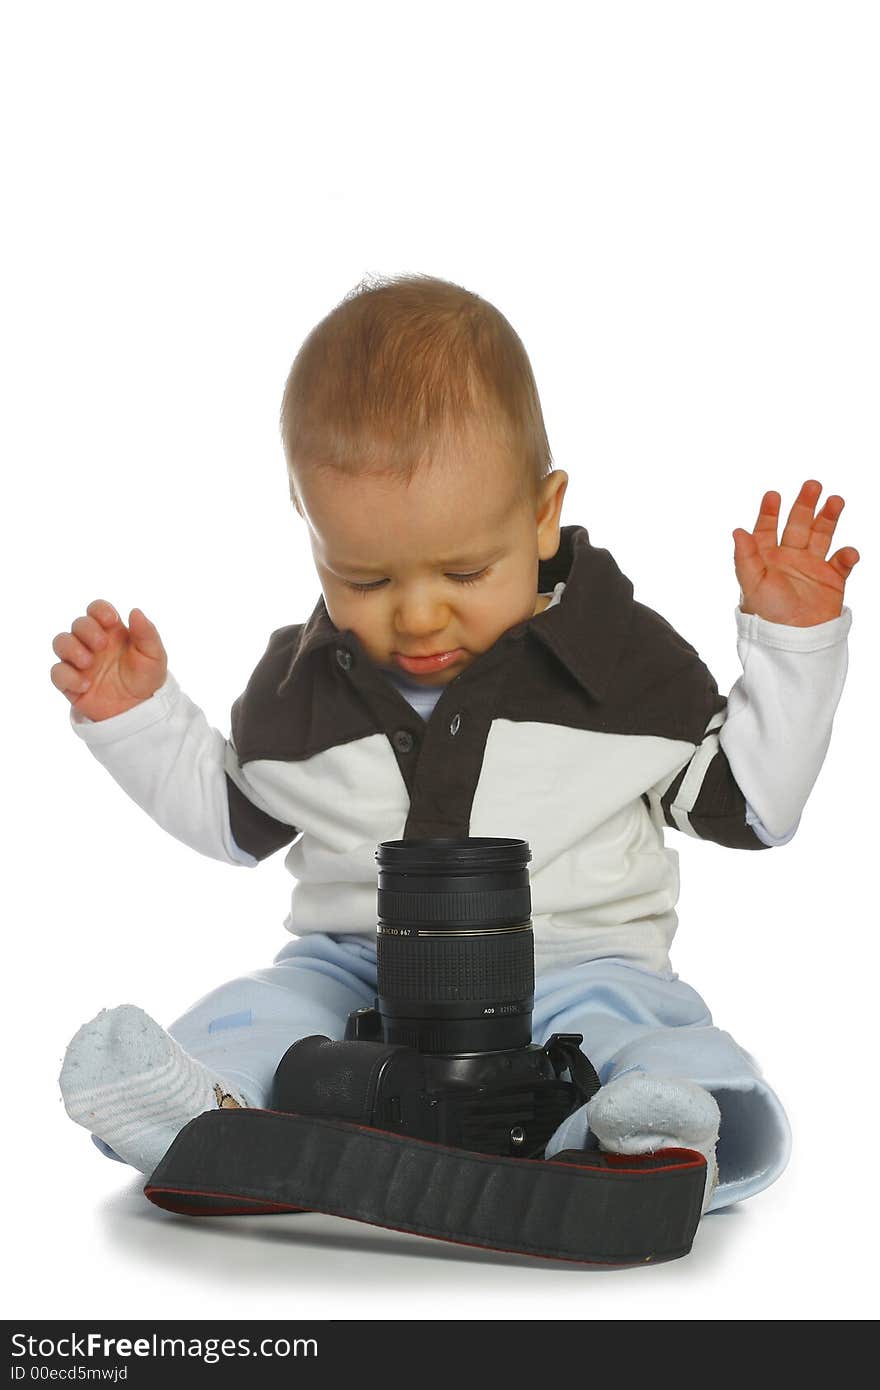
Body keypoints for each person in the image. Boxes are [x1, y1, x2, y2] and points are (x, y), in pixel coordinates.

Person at [51, 273, 858, 1216]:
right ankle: (209, 1112)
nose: (419, 613)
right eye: (364, 577)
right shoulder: (304, 684)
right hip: (356, 974)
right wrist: (136, 717)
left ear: (543, 513)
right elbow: (229, 818)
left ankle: (639, 1142)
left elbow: (756, 806)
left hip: (580, 967)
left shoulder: (620, 661)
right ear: (310, 533)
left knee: (653, 1040)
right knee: (261, 1011)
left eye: (467, 570)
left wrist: (794, 647)